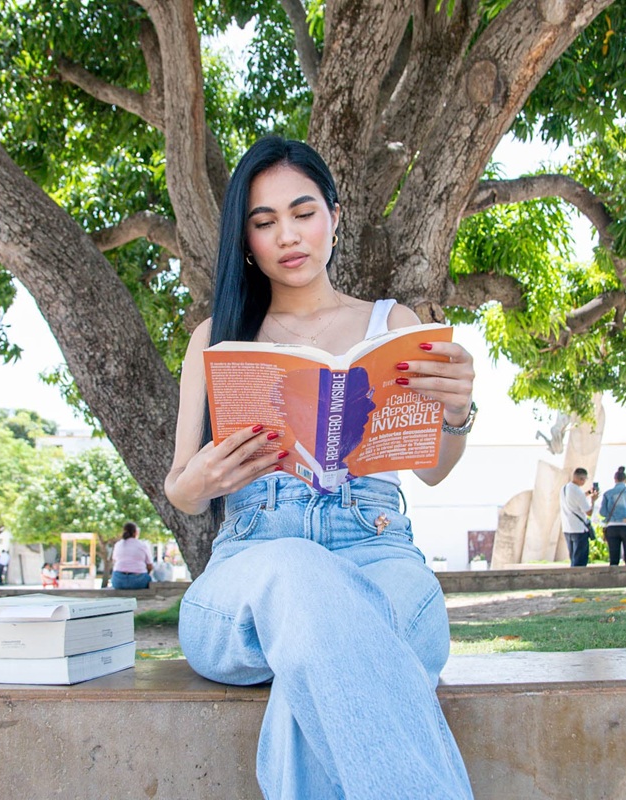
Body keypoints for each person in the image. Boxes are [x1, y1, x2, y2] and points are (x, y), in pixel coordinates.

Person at [165, 137, 477, 799]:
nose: (288, 235)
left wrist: (455, 414)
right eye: (264, 222)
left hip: (381, 562)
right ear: (245, 240)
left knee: (321, 666)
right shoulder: (216, 336)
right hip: (253, 575)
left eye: (303, 213)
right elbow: (181, 490)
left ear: (334, 216)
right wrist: (203, 481)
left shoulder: (393, 323)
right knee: (299, 573)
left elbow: (433, 472)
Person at [560, 467, 599, 567]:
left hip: (567, 528)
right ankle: (578, 577)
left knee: (573, 559)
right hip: (579, 530)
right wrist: (593, 500)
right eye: (585, 479)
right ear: (581, 479)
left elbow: (575, 499)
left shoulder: (564, 488)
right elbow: (589, 512)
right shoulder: (578, 491)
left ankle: (572, 576)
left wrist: (588, 493)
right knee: (580, 561)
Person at [111, 522, 154, 590]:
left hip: (118, 581)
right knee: (150, 578)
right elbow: (150, 566)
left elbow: (114, 561)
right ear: (135, 532)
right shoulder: (142, 545)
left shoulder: (118, 545)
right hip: (138, 581)